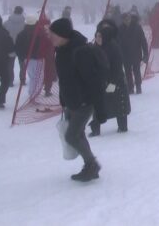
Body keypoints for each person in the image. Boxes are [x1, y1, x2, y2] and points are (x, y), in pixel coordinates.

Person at [48, 18, 105, 182]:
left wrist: (98, 108)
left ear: (63, 35)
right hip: (71, 101)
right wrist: (63, 100)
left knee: (71, 136)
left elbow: (92, 80)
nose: (51, 37)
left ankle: (92, 164)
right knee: (78, 134)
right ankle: (90, 166)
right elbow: (64, 79)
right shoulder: (61, 50)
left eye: (53, 34)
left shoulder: (80, 52)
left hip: (83, 102)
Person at [89, 20, 130, 136]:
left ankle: (123, 127)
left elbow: (117, 67)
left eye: (100, 36)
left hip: (116, 82)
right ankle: (95, 130)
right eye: (96, 36)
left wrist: (113, 83)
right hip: (100, 82)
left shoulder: (114, 48)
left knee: (119, 106)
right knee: (97, 106)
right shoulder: (95, 48)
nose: (97, 38)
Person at [119, 12, 149, 94]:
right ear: (123, 20)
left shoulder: (137, 27)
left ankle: (138, 87)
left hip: (136, 53)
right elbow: (118, 42)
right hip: (125, 55)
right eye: (125, 19)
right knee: (128, 72)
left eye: (128, 19)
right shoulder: (120, 28)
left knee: (136, 71)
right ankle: (130, 88)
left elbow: (143, 41)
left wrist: (146, 54)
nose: (127, 21)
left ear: (130, 18)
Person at [3, 6, 25, 87]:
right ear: (21, 12)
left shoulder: (6, 23)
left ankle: (10, 81)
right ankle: (23, 80)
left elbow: (3, 35)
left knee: (10, 66)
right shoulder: (24, 24)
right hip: (22, 47)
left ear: (14, 11)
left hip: (9, 47)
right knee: (22, 65)